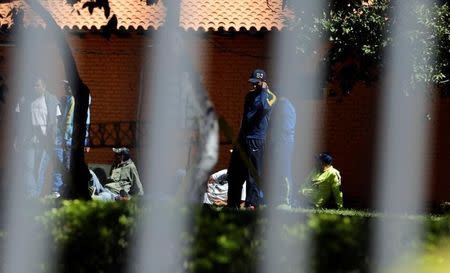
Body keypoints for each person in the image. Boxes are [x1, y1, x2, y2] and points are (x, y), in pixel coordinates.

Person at [227, 69, 277, 209]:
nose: (254, 86)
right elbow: (246, 118)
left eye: (257, 83)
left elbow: (263, 108)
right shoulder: (249, 95)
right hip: (243, 138)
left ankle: (252, 204)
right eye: (252, 83)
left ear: (264, 82)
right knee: (234, 172)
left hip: (256, 139)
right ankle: (233, 203)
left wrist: (263, 91)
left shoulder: (270, 97)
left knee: (253, 174)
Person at [18, 77, 61, 197]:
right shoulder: (26, 100)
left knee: (39, 169)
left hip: (45, 141)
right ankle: (31, 194)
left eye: (37, 85)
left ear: (44, 86)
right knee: (29, 167)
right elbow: (20, 121)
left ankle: (35, 194)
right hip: (30, 140)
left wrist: (52, 140)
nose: (35, 88)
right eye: (33, 85)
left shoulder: (52, 101)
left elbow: (55, 122)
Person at [51, 80, 91, 198]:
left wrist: (86, 141)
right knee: (59, 164)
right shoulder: (67, 100)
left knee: (68, 165)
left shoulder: (81, 101)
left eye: (68, 86)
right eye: (65, 86)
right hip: (63, 139)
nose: (66, 88)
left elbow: (86, 122)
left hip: (72, 139)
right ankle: (57, 190)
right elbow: (63, 120)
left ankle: (66, 191)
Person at [265, 92, 296, 207]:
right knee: (281, 171)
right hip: (283, 142)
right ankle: (280, 199)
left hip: (282, 143)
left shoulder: (283, 105)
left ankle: (285, 200)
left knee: (284, 172)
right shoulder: (286, 105)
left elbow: (284, 128)